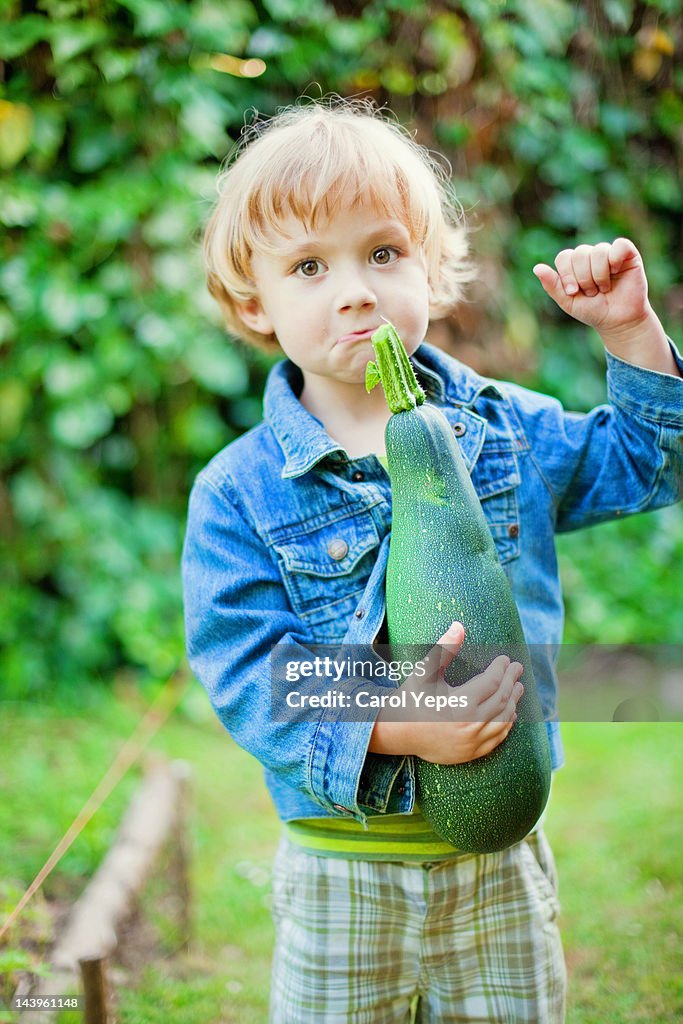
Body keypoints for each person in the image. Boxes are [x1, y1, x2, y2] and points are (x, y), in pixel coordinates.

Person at [181, 97, 682, 1023]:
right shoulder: (240, 491)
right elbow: (250, 674)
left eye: (382, 253)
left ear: (431, 264)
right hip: (343, 862)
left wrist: (626, 332)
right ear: (254, 301)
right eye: (308, 266)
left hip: (498, 858)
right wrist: (397, 722)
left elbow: (651, 463)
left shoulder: (503, 431)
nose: (357, 291)